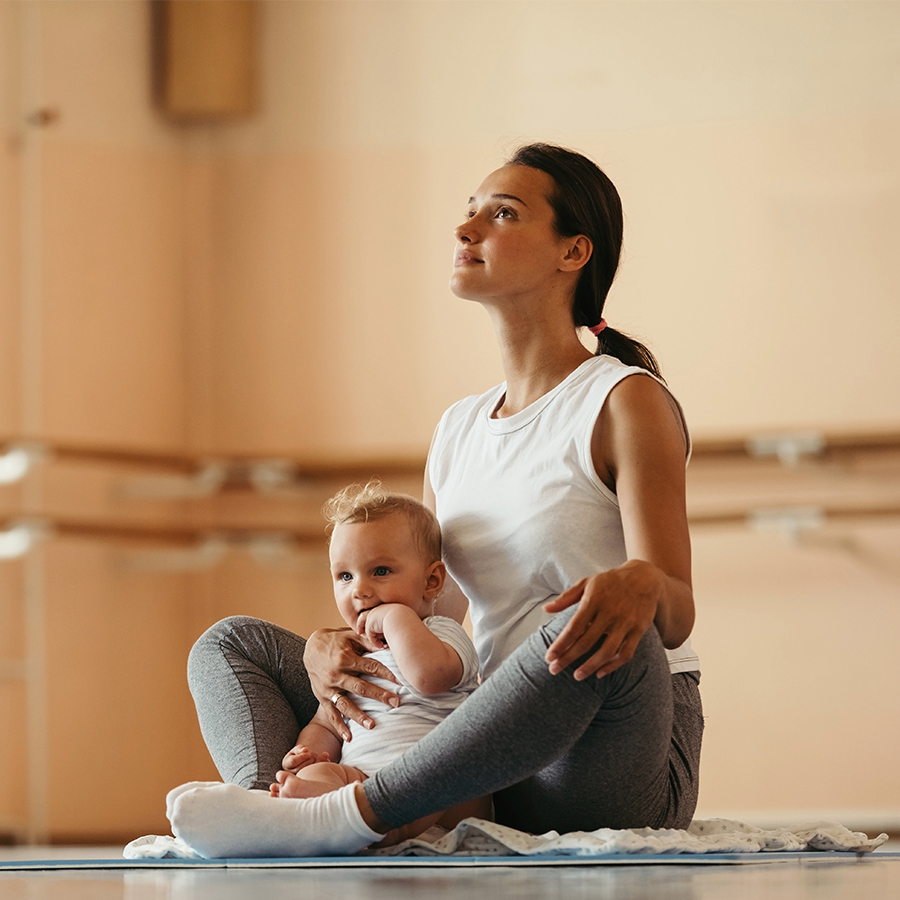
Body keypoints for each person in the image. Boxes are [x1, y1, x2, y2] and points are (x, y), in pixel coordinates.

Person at [169, 142, 703, 859]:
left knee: (607, 621)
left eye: (502, 213)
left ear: (573, 252)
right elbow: (435, 613)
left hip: (600, 749)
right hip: (469, 741)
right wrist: (343, 649)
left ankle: (356, 814)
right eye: (468, 212)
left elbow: (675, 612)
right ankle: (288, 804)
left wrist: (640, 582)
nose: (466, 229)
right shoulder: (457, 428)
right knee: (230, 644)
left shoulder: (623, 400)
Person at [270, 481, 488, 836]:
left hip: (432, 786)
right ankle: (317, 806)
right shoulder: (349, 655)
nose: (359, 589)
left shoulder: (441, 633)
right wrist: (305, 753)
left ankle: (343, 820)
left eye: (380, 571)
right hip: (359, 781)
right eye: (345, 576)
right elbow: (327, 723)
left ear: (432, 581)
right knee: (321, 774)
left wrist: (394, 617)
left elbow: (429, 676)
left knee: (427, 787)